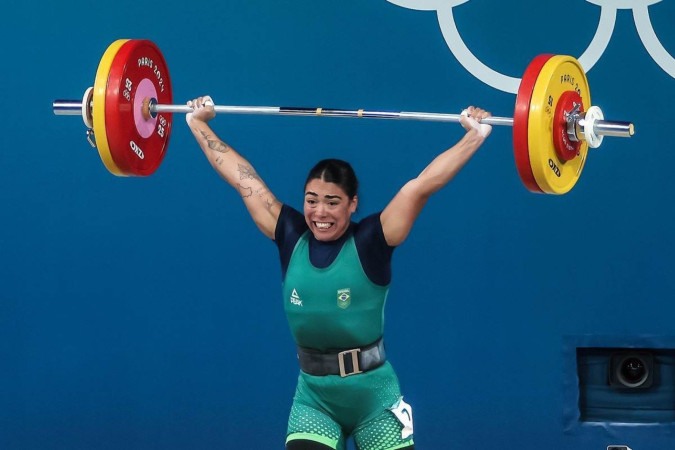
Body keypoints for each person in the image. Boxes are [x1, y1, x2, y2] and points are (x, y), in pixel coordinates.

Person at [186, 96, 492, 450]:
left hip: (374, 398)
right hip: (314, 399)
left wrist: (475, 135)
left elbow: (421, 185)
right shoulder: (289, 233)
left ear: (353, 204)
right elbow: (244, 179)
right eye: (311, 199)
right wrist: (199, 124)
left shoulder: (373, 240)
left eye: (332, 202)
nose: (319, 212)